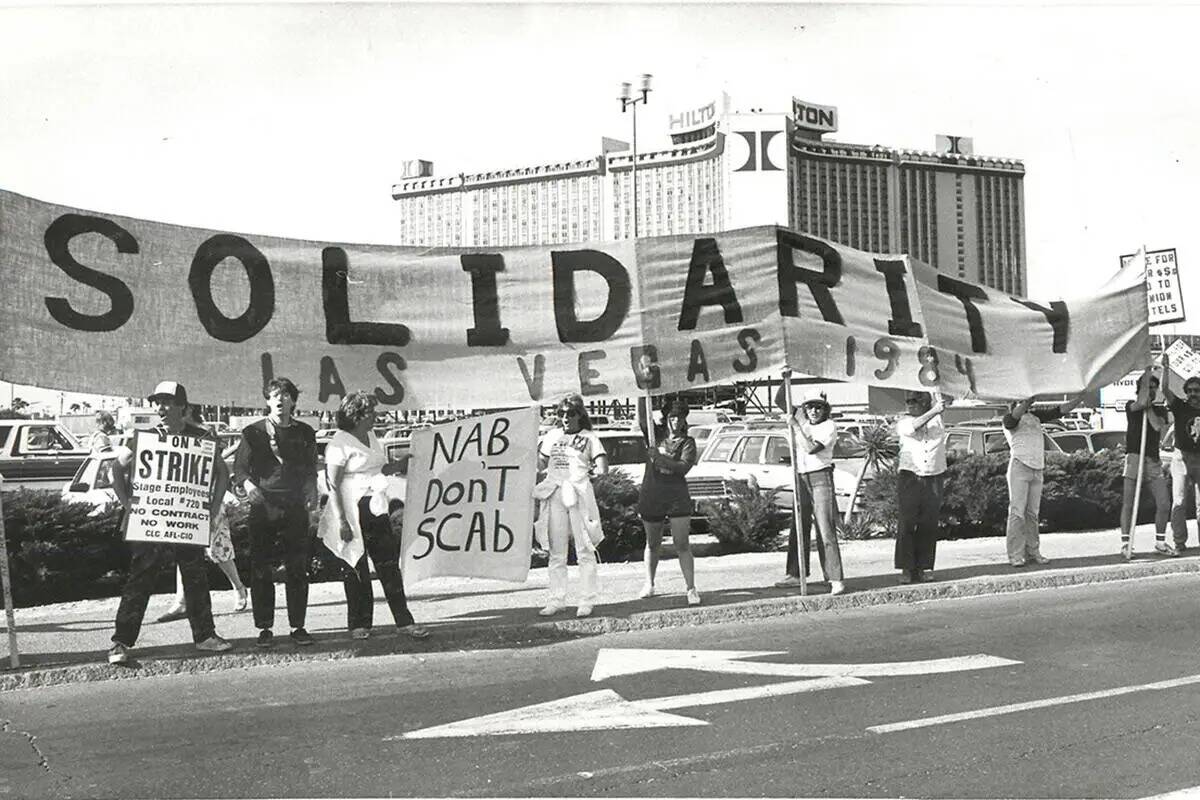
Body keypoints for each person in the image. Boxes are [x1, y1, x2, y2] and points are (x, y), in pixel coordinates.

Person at [106, 381, 233, 664]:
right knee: (140, 578)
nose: (161, 408)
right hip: (151, 522)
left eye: (167, 402)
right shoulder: (143, 438)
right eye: (158, 402)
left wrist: (212, 510)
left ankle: (205, 637)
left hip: (185, 520)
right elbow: (115, 470)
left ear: (183, 407)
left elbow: (222, 474)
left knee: (195, 577)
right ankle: (121, 642)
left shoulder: (201, 439)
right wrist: (129, 505)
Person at [323, 391, 430, 640]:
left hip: (376, 508)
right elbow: (333, 485)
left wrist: (400, 464)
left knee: (388, 566)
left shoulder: (371, 435)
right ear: (357, 415)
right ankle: (359, 624)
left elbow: (378, 469)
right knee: (355, 567)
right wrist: (342, 521)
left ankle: (404, 621)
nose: (375, 415)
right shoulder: (339, 443)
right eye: (371, 411)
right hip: (351, 510)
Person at [232, 377, 319, 649]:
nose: (280, 401)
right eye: (273, 396)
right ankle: (265, 628)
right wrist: (247, 484)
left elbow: (309, 469)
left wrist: (312, 491)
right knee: (261, 568)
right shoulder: (252, 432)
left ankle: (298, 626)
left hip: (294, 507)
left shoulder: (305, 432)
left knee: (297, 567)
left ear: (293, 400)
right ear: (267, 400)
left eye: (285, 396)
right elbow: (240, 469)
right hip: (263, 506)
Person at [156, 407, 249, 621]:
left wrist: (215, 504)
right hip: (182, 501)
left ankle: (239, 587)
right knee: (183, 550)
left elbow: (217, 469)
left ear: (186, 410)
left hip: (207, 500)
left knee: (218, 548)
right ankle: (181, 602)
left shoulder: (203, 432)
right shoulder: (170, 433)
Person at [533, 393, 608, 618]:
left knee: (584, 549)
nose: (566, 418)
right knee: (557, 551)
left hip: (579, 494)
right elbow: (539, 463)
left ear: (580, 415)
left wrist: (592, 475)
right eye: (561, 413)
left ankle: (586, 599)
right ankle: (557, 599)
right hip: (555, 493)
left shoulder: (590, 437)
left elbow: (603, 466)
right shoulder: (552, 436)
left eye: (571, 413)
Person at [772, 376, 846, 595]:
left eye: (819, 407)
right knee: (799, 526)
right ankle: (796, 573)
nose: (814, 411)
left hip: (820, 477)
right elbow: (779, 400)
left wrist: (794, 426)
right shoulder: (801, 418)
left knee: (825, 528)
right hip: (801, 477)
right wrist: (786, 379)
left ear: (825, 409)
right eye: (810, 407)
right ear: (804, 408)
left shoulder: (829, 426)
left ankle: (835, 577)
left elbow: (810, 448)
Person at [1002, 393, 1084, 567]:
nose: (1025, 406)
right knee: (1017, 512)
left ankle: (1033, 551)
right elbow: (1013, 418)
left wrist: (1080, 397)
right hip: (1019, 466)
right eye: (1019, 402)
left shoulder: (1036, 416)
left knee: (1032, 513)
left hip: (1037, 468)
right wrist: (1027, 401)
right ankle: (1015, 554)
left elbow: (1060, 410)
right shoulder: (1009, 419)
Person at [636, 398, 700, 606]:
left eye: (679, 418)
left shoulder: (688, 442)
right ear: (666, 418)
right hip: (652, 494)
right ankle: (649, 583)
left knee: (681, 543)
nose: (675, 421)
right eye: (672, 417)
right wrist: (640, 393)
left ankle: (691, 588)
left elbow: (682, 467)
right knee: (653, 543)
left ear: (684, 420)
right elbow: (643, 418)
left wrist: (660, 459)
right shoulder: (656, 436)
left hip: (676, 497)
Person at [1119, 368, 1174, 559]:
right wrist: (1147, 369)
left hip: (1152, 460)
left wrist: (1149, 406)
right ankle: (1126, 543)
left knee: (1164, 503)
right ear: (1138, 389)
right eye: (1146, 387)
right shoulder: (1130, 406)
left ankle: (1160, 542)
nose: (1150, 390)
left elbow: (1158, 426)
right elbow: (1139, 404)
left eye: (1153, 387)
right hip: (1134, 457)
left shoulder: (1159, 409)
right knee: (1129, 502)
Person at [894, 390, 947, 583]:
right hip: (910, 476)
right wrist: (935, 410)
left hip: (934, 475)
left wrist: (938, 402)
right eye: (908, 401)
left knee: (928, 523)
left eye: (915, 401)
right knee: (907, 522)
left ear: (925, 402)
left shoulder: (938, 419)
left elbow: (940, 394)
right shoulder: (903, 421)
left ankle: (925, 566)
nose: (911, 404)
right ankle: (906, 568)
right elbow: (912, 428)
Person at [1161, 354, 1200, 552]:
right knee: (1179, 501)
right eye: (1190, 390)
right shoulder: (1180, 407)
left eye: (1197, 391)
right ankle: (1179, 541)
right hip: (1180, 457)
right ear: (1185, 392)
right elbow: (1164, 390)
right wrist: (1165, 369)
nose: (1193, 394)